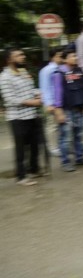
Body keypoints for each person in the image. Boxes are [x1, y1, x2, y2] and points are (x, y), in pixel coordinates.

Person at [0, 48, 43, 186]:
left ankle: (34, 170)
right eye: (18, 55)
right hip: (17, 118)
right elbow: (10, 99)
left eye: (23, 54)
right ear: (9, 60)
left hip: (32, 115)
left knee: (35, 145)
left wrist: (38, 94)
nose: (23, 57)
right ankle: (21, 176)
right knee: (21, 148)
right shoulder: (5, 77)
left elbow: (30, 89)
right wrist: (32, 102)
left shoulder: (23, 72)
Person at [53, 48, 83, 172]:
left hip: (79, 109)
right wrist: (58, 111)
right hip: (66, 110)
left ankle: (80, 157)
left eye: (76, 56)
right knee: (65, 138)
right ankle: (65, 162)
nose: (75, 58)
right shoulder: (59, 73)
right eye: (72, 56)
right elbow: (57, 93)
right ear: (65, 59)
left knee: (79, 135)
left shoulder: (79, 71)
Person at [39, 47, 64, 156]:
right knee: (52, 126)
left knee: (58, 125)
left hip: (59, 102)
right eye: (59, 56)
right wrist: (49, 104)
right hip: (51, 103)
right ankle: (52, 148)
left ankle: (58, 146)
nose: (61, 58)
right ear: (53, 57)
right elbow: (45, 88)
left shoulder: (60, 69)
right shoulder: (47, 70)